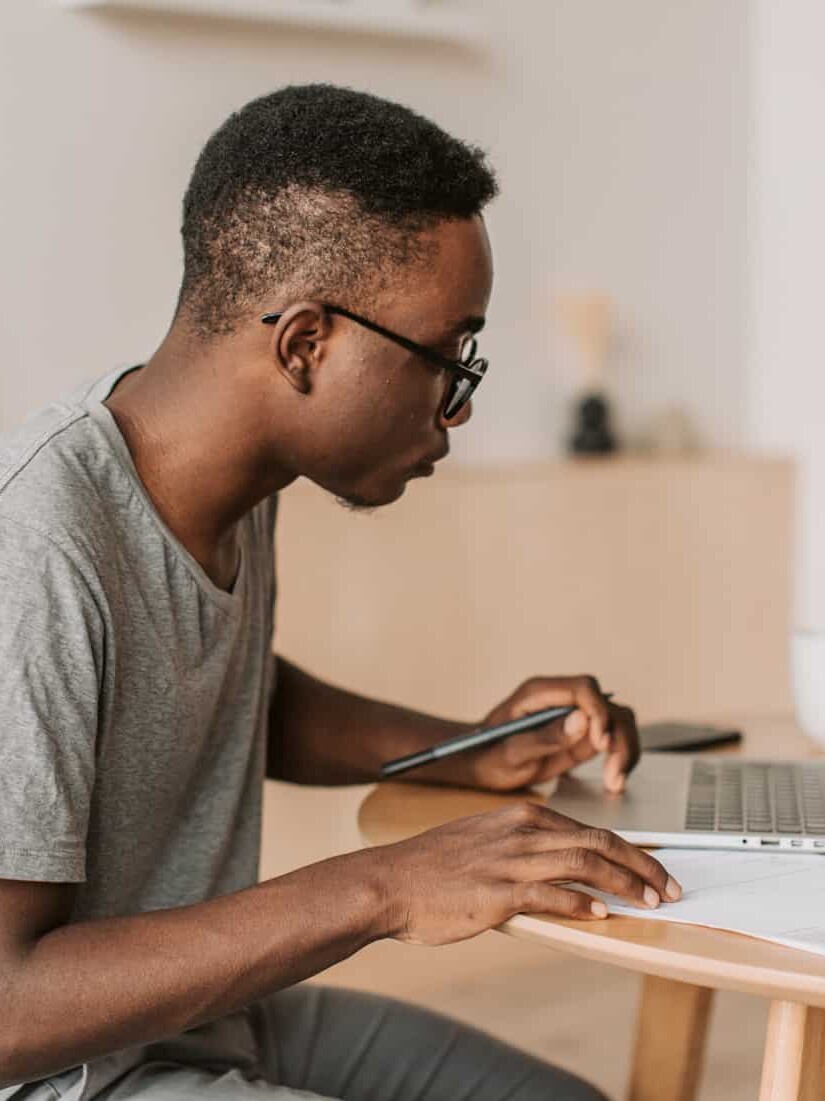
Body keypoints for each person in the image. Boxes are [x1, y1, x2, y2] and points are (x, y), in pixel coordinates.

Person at [0, 84, 681, 1101]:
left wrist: (464, 749)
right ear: (306, 343)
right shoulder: (38, 545)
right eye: (446, 359)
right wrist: (384, 886)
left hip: (198, 1020)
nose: (454, 412)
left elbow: (211, 699)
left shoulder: (228, 485)